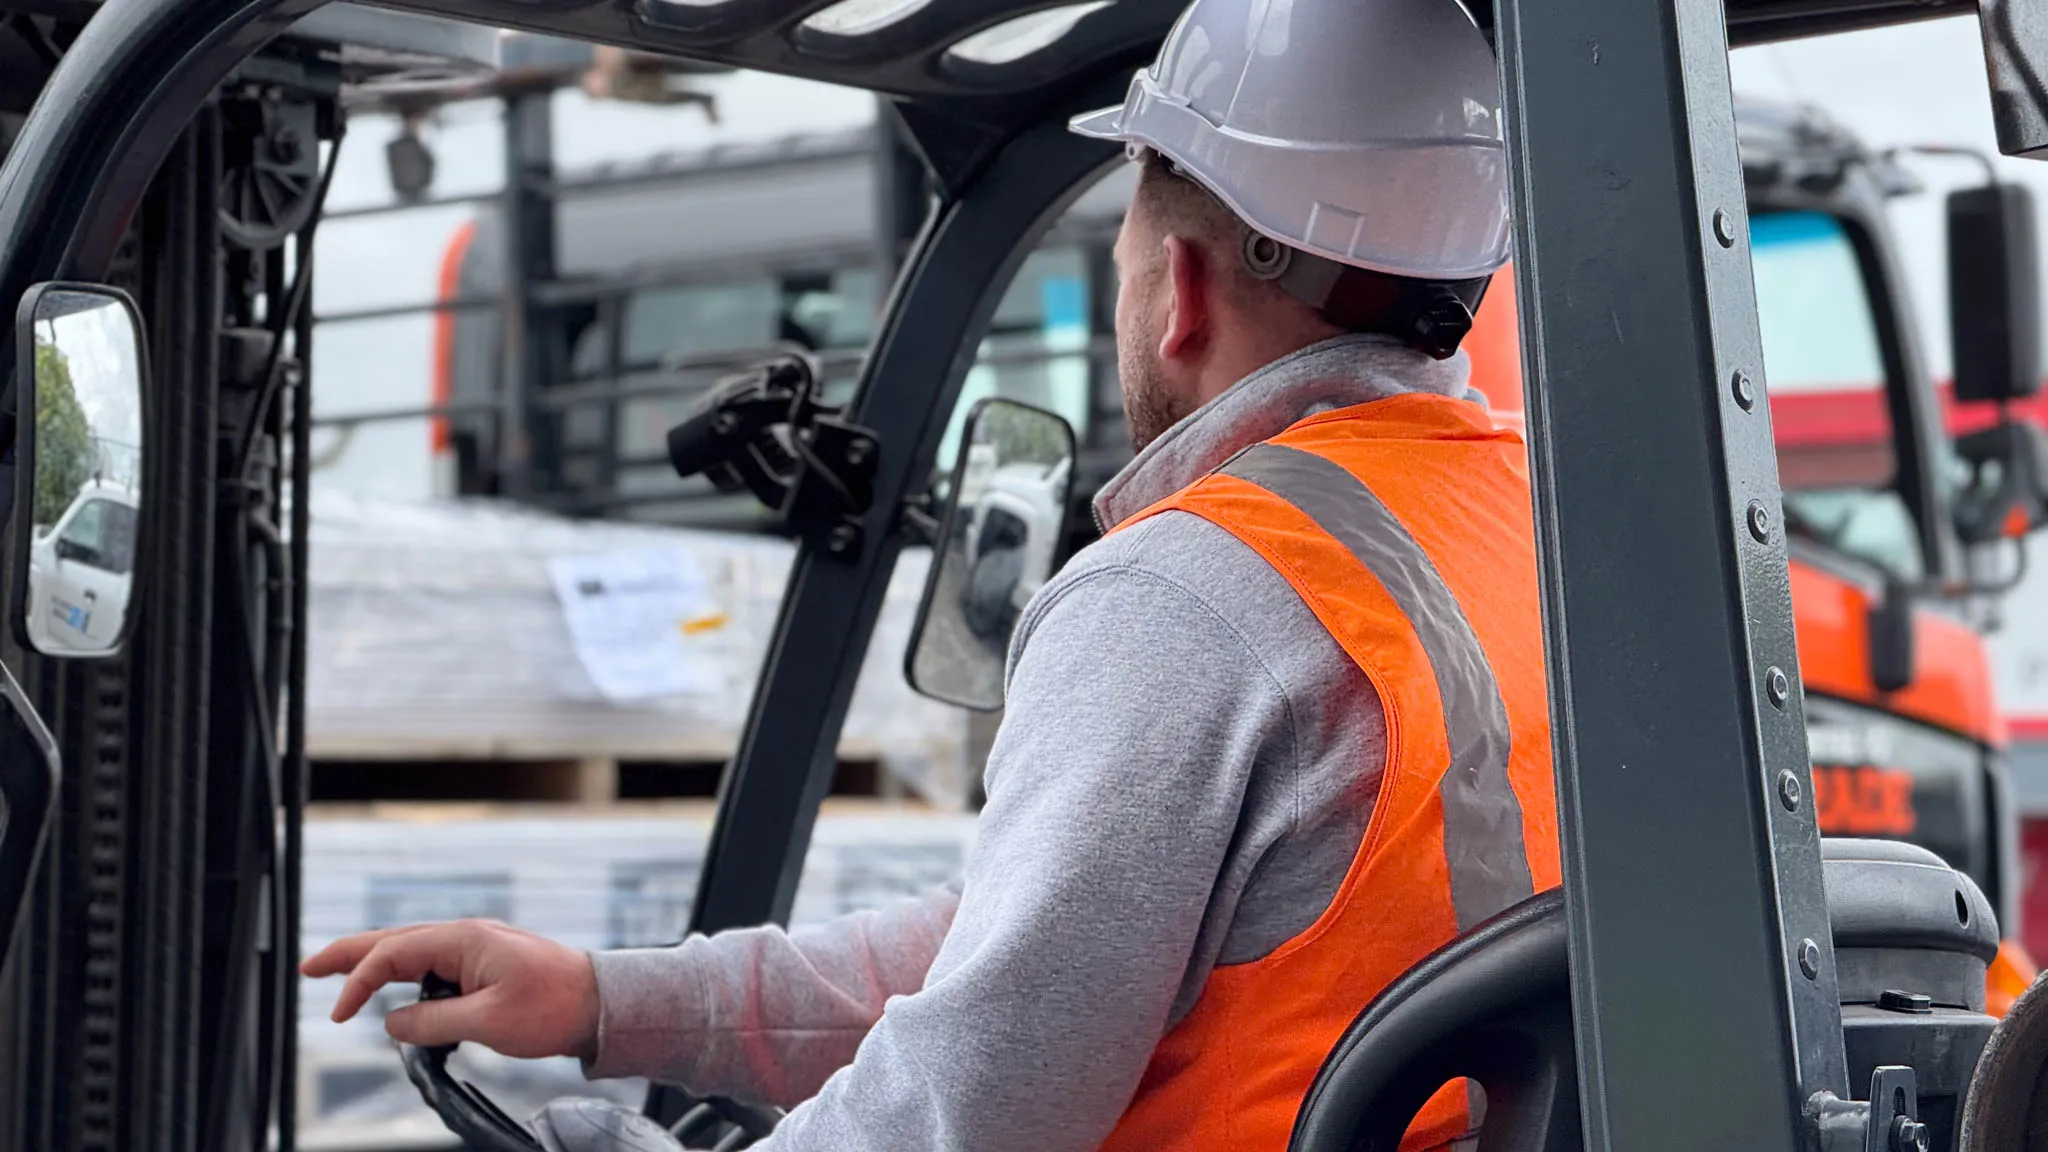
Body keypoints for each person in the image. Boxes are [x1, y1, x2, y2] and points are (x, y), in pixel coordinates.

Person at [303, 0, 1562, 1147]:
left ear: (1177, 288)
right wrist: (608, 1000)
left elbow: (974, 1097)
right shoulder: (1538, 528)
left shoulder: (1197, 594)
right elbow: (1028, 955)